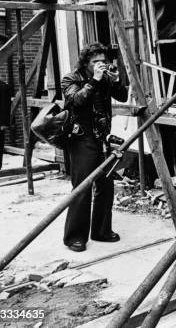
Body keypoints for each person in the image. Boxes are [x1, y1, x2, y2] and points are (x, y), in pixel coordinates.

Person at [62, 43, 128, 252]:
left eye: (103, 61)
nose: (100, 65)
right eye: (95, 62)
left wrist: (116, 81)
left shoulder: (106, 76)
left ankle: (101, 230)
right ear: (86, 63)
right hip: (81, 138)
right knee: (82, 188)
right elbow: (76, 101)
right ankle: (74, 236)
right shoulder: (71, 78)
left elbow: (123, 97)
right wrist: (95, 80)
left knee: (106, 186)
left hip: (103, 139)